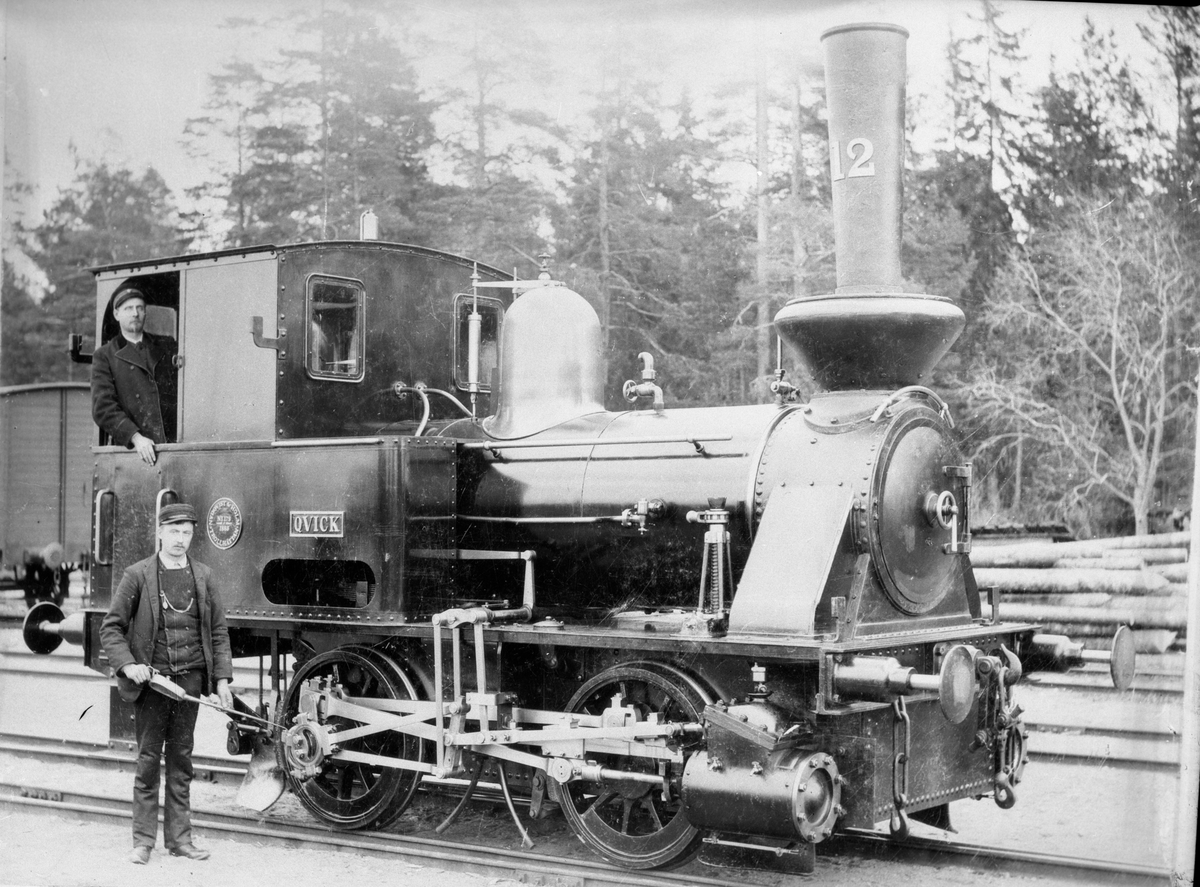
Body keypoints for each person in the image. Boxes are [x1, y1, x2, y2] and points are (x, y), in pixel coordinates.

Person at [99, 503, 234, 864]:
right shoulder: (138, 575)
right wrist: (129, 665)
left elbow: (219, 632)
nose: (180, 539)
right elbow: (110, 628)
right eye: (173, 531)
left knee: (181, 762)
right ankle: (143, 842)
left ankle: (180, 841)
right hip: (153, 684)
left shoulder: (204, 575)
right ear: (159, 532)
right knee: (148, 762)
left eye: (186, 532)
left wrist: (222, 680)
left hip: (190, 682)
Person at [91, 287, 178, 465]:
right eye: (128, 308)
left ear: (145, 312)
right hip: (135, 453)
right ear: (116, 314)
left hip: (172, 448)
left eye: (140, 308)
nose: (135, 313)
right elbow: (103, 408)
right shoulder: (104, 355)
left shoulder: (167, 346)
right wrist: (135, 437)